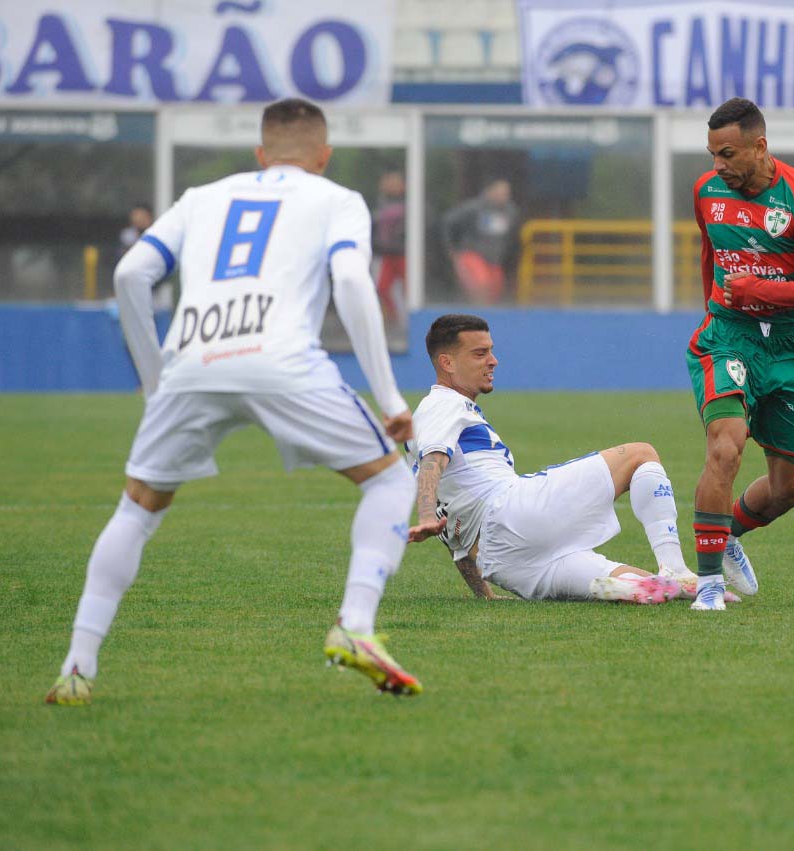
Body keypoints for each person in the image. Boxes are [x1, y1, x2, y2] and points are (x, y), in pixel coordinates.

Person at [45, 99, 421, 705]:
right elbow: (352, 281)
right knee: (390, 483)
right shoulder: (337, 198)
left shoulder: (200, 197)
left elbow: (129, 275)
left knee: (137, 511)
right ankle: (354, 626)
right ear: (322, 157)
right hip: (283, 362)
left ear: (258, 153)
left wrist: (154, 379)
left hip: (193, 362)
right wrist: (388, 396)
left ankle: (76, 668)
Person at [405, 314, 718, 605]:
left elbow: (455, 540)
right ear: (447, 363)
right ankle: (675, 566)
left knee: (653, 587)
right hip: (510, 512)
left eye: (491, 351)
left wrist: (484, 595)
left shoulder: (422, 430)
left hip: (501, 563)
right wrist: (425, 516)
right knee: (641, 454)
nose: (493, 361)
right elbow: (435, 459)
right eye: (480, 353)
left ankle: (651, 586)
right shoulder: (441, 404)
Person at [686, 97, 794, 611]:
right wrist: (712, 313)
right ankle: (709, 583)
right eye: (713, 154)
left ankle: (727, 532)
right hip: (728, 335)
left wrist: (763, 290)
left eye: (729, 153)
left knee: (791, 487)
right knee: (726, 446)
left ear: (760, 146)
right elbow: (711, 255)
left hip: (787, 344)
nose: (719, 165)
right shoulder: (706, 192)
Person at [441, 179, 520, 304]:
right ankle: (477, 313)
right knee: (481, 284)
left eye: (506, 193)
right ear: (489, 192)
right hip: (472, 255)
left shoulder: (510, 211)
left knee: (496, 289)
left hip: (494, 259)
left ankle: (487, 315)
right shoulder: (474, 208)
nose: (503, 196)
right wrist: (451, 247)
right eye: (499, 192)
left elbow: (511, 237)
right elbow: (449, 221)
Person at [373, 170, 407, 322]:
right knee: (382, 288)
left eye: (395, 181)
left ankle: (408, 320)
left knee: (410, 289)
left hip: (405, 253)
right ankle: (394, 318)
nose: (391, 185)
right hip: (385, 253)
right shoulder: (379, 204)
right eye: (388, 181)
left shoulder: (411, 202)